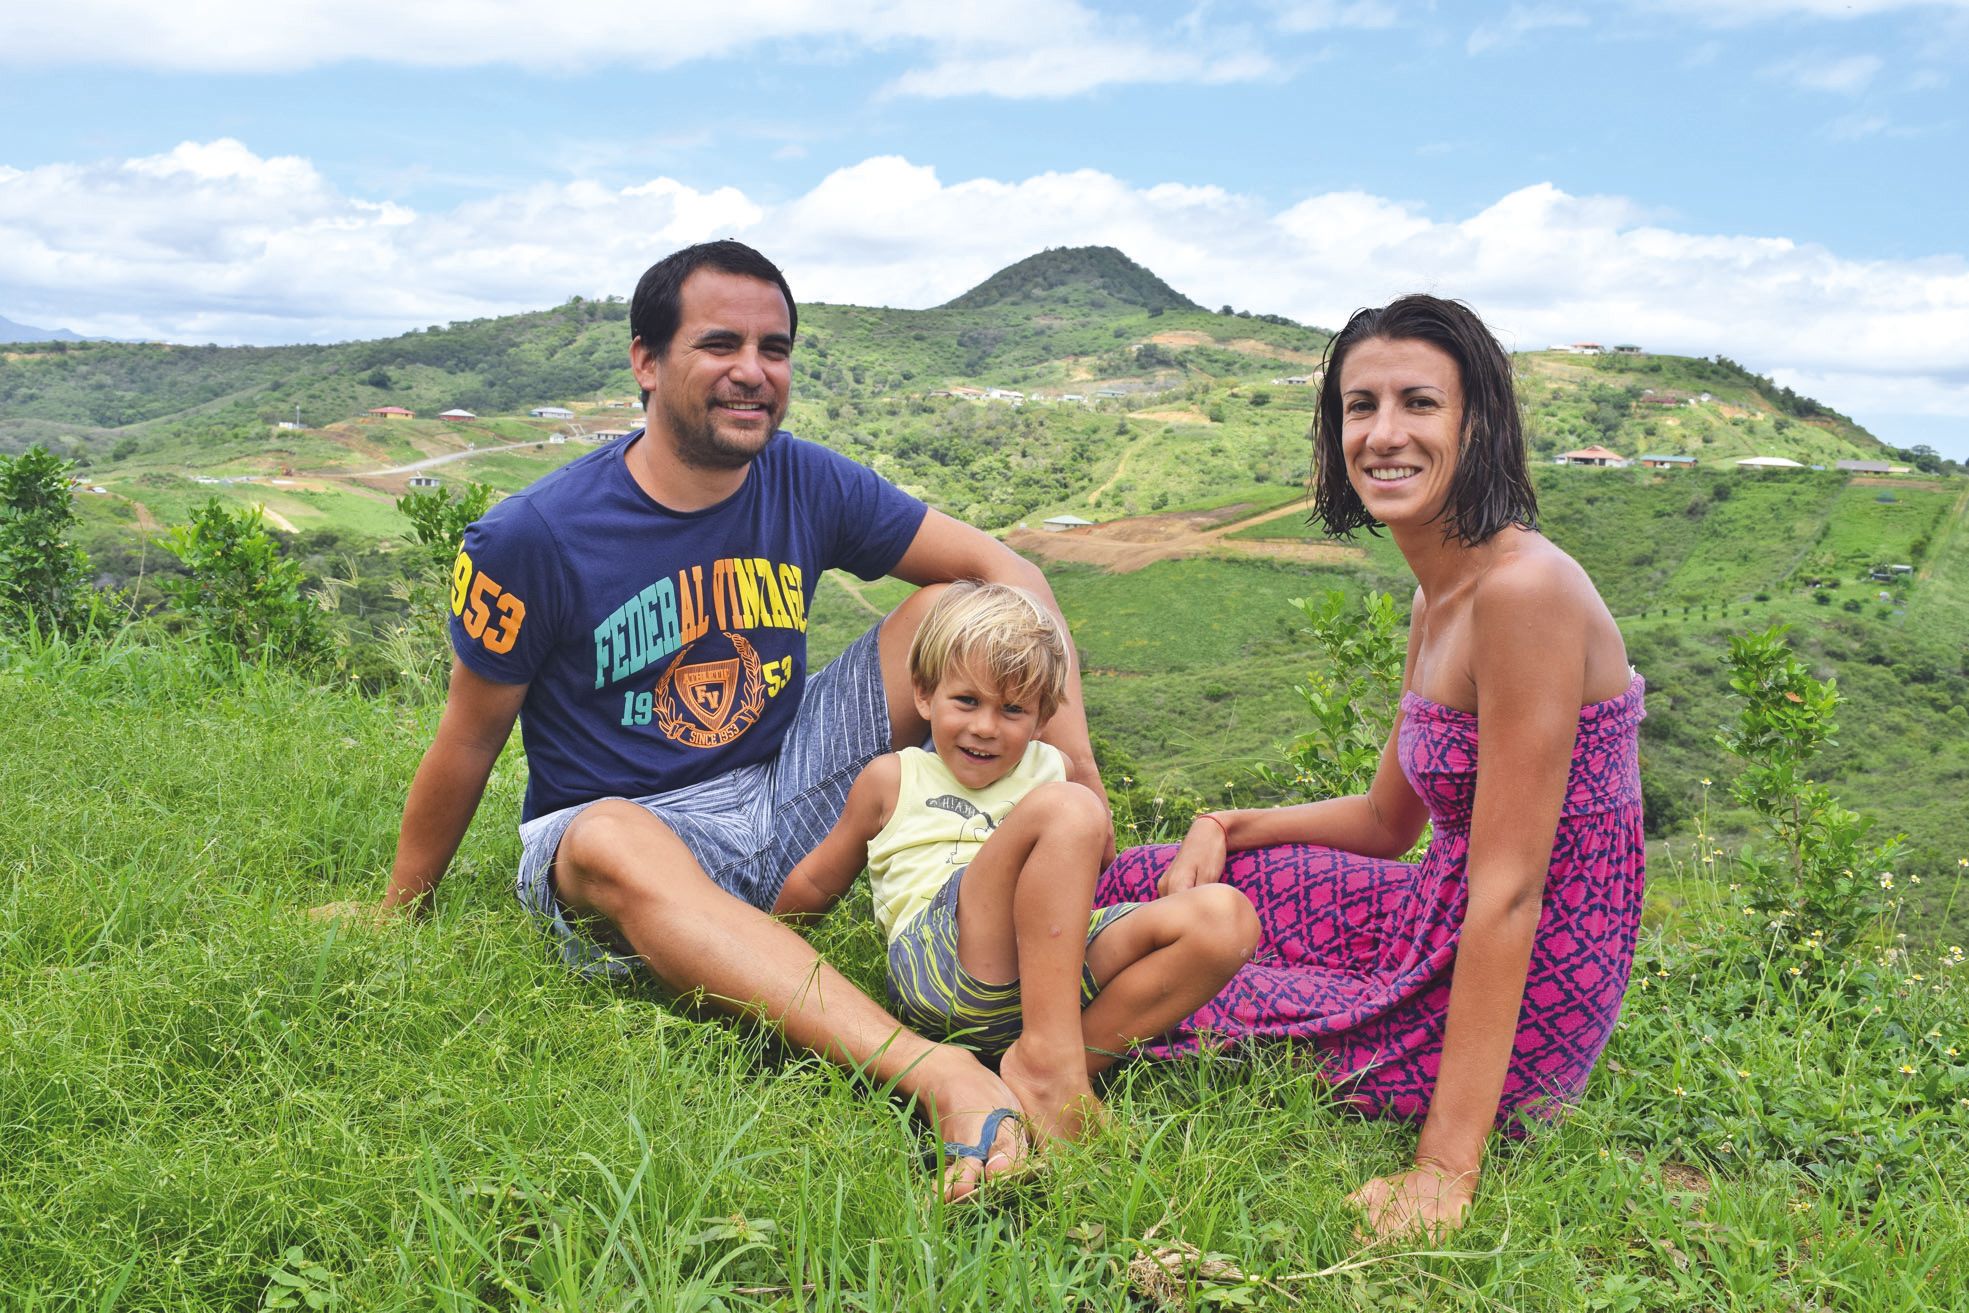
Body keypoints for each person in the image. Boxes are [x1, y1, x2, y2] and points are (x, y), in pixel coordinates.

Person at [341, 240, 1113, 1201]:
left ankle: (1002, 869)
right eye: (719, 343)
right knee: (607, 834)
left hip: (784, 785)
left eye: (774, 347)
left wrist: (1074, 765)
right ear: (646, 360)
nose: (753, 370)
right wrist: (399, 906)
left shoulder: (805, 479)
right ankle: (938, 1071)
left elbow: (1015, 578)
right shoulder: (532, 535)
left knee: (956, 599)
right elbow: (468, 736)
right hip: (627, 825)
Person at [1093, 294, 1645, 1241]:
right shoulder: (1444, 591)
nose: (1383, 433)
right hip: (1432, 905)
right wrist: (1226, 825)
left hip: (1527, 979)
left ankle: (1037, 1025)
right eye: (1360, 406)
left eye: (1418, 403)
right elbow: (1391, 822)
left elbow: (1510, 893)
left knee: (1198, 995)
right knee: (1148, 877)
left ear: (1477, 423)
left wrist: (1441, 1169)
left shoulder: (1524, 592)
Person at [777, 581, 1259, 1144]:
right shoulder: (895, 776)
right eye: (966, 701)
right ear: (925, 695)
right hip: (944, 963)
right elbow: (815, 879)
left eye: (1012, 710)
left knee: (1226, 921)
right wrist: (772, 942)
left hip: (1042, 974)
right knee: (1069, 809)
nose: (985, 726)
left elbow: (1092, 865)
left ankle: (1046, 1074)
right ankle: (1049, 1066)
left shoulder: (1051, 769)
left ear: (1042, 716)